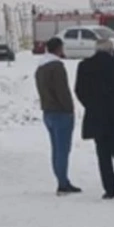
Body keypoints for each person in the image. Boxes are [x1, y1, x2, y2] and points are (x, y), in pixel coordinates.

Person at [74, 39, 114, 201]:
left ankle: (109, 189)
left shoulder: (84, 66)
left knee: (103, 154)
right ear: (111, 50)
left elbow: (79, 90)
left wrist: (91, 106)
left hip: (97, 117)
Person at [35, 36, 81, 194]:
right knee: (63, 150)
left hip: (47, 111)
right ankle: (63, 183)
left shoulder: (40, 67)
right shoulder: (57, 66)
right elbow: (62, 90)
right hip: (61, 112)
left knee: (55, 149)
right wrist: (69, 108)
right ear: (59, 48)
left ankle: (61, 179)